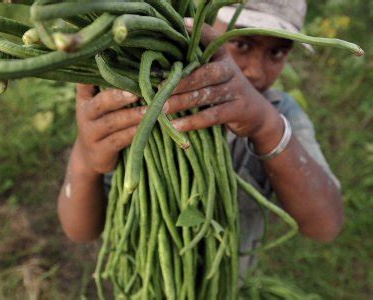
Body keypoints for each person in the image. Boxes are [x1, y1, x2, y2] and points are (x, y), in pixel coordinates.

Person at [57, 0, 344, 278]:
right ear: (201, 23)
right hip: (141, 278)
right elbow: (79, 231)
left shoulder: (280, 113)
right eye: (241, 43)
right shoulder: (139, 109)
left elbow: (325, 226)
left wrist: (266, 127)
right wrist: (85, 159)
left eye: (277, 53)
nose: (256, 70)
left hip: (226, 282)